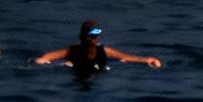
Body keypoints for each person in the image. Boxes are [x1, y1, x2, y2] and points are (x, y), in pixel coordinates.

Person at [32, 21, 161, 73]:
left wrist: (147, 60)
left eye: (95, 36)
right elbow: (49, 56)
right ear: (83, 37)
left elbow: (126, 57)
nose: (92, 40)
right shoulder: (73, 51)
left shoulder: (104, 51)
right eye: (89, 36)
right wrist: (41, 61)